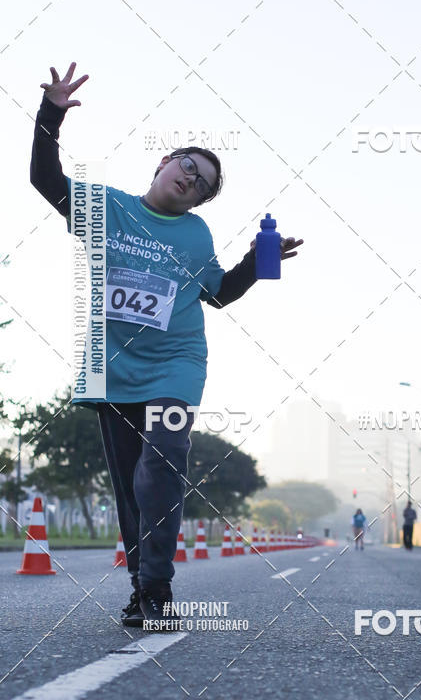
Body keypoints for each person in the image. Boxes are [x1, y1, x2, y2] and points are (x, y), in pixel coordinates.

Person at [30, 63, 304, 629]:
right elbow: (45, 180)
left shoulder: (196, 235)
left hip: (176, 366)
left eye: (202, 183)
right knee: (129, 487)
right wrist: (52, 112)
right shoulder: (107, 206)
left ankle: (157, 589)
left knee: (159, 471)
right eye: (187, 166)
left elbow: (219, 293)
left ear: (201, 202)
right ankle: (140, 587)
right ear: (163, 164)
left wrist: (255, 264)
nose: (191, 180)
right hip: (112, 368)